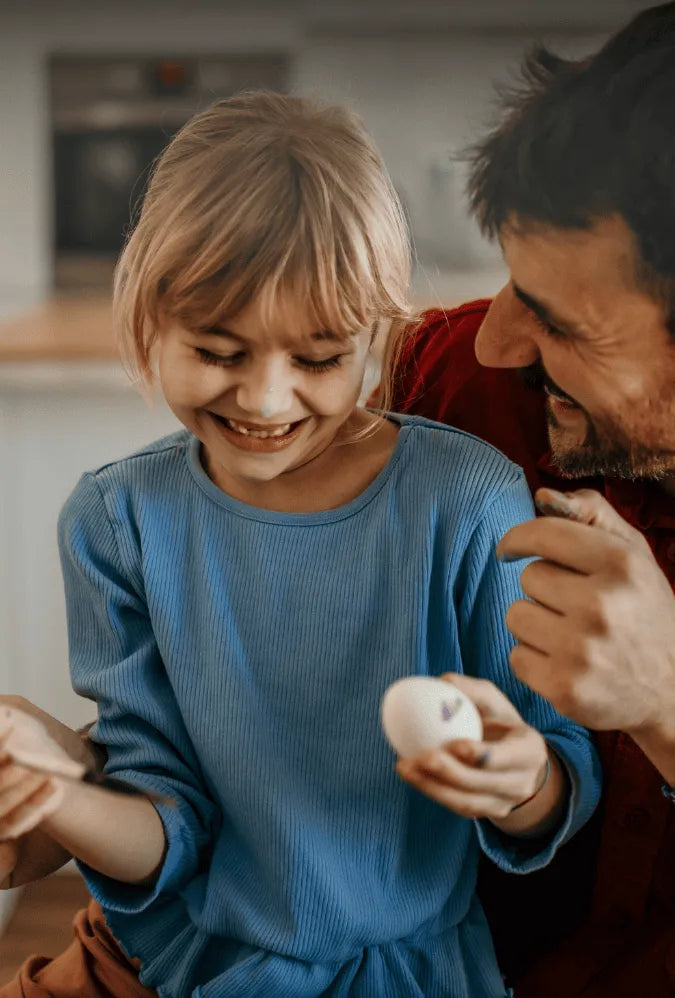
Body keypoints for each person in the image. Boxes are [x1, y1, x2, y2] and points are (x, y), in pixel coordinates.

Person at [0, 92, 599, 998]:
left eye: (318, 359)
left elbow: (557, 780)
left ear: (374, 330)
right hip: (192, 969)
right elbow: (167, 829)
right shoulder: (116, 522)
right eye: (218, 351)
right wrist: (60, 800)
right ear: (147, 316)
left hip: (421, 975)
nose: (265, 401)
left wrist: (522, 781)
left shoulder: (465, 499)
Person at [388, 4, 675, 995]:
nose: (495, 340)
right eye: (511, 283)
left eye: (556, 321)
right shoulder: (447, 391)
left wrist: (669, 700)